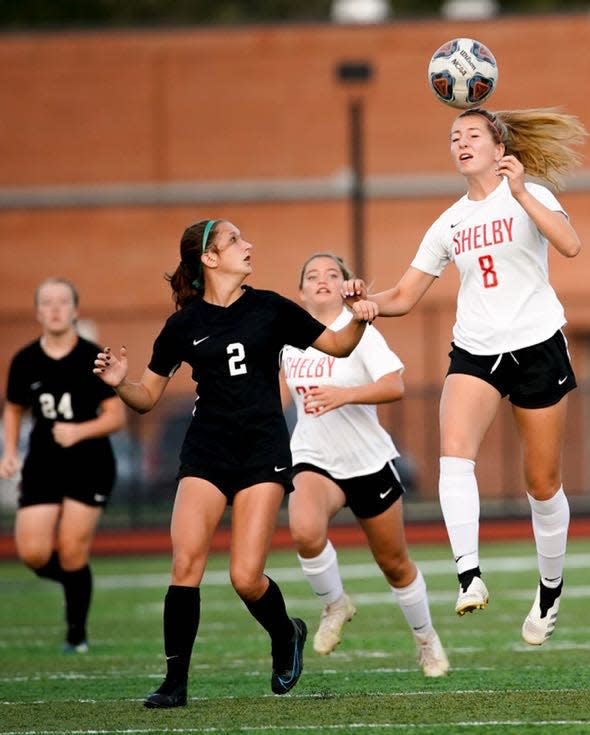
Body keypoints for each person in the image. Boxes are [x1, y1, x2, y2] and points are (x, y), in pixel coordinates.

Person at [93, 219, 378, 708]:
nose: (247, 245)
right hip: (207, 449)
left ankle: (286, 633)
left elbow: (339, 345)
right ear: (209, 259)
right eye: (234, 241)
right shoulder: (183, 325)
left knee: (246, 577)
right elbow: (145, 397)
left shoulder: (269, 307)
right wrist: (121, 382)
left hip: (261, 449)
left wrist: (359, 316)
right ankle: (174, 684)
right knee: (185, 564)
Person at [345, 107, 588, 646]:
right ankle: (468, 574)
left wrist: (523, 192)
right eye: (454, 136)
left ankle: (550, 589)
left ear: (498, 145)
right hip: (476, 351)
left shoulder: (532, 195)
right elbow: (405, 296)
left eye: (472, 134)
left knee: (542, 483)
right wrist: (367, 305)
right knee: (454, 455)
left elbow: (570, 246)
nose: (461, 142)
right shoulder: (449, 221)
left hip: (538, 344)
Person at [281, 253, 450, 678]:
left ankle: (426, 640)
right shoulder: (286, 341)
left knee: (394, 563)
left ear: (345, 286)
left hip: (367, 461)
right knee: (303, 530)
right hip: (312, 457)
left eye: (332, 274)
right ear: (300, 292)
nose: (321, 280)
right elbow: (277, 398)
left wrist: (344, 395)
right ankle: (335, 604)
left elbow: (395, 386)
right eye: (312, 275)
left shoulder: (359, 331)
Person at [0, 277, 126, 653]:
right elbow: (14, 407)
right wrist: (9, 452)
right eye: (47, 303)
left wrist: (79, 430)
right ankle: (76, 581)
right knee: (34, 552)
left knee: (72, 549)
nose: (55, 309)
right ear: (38, 311)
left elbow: (115, 416)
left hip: (90, 463)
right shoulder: (25, 360)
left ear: (74, 309)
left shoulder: (93, 356)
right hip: (43, 463)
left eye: (62, 302)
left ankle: (77, 634)